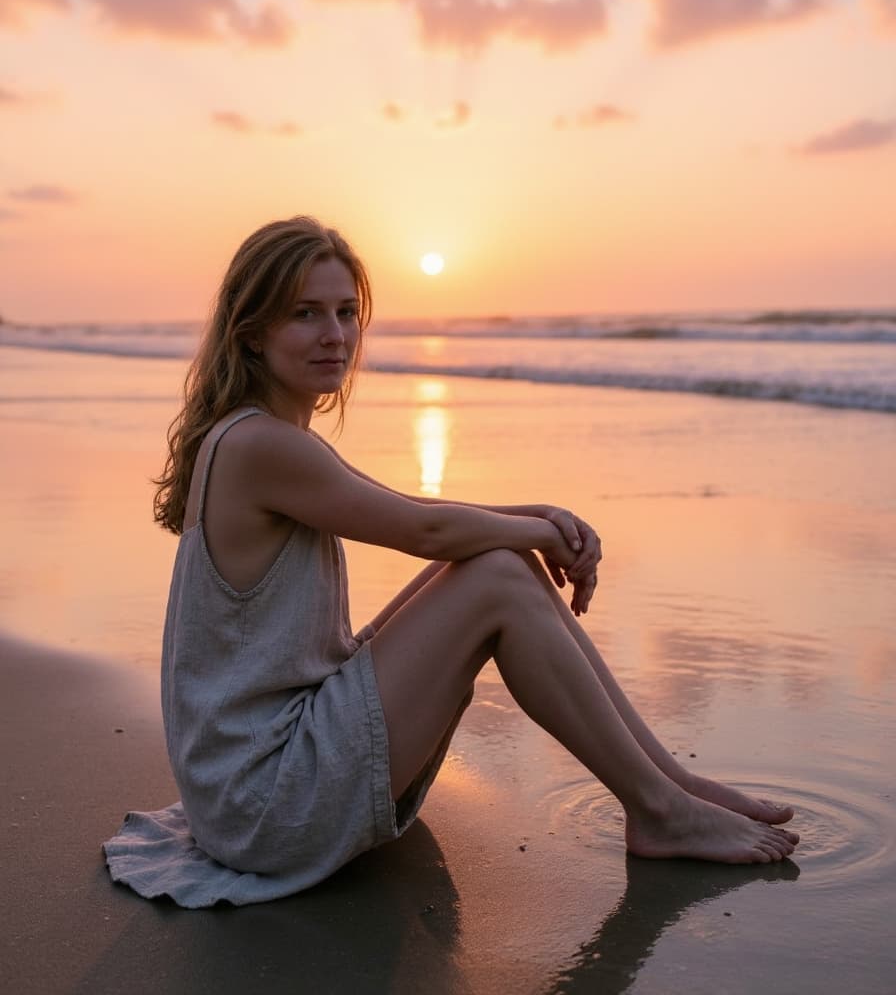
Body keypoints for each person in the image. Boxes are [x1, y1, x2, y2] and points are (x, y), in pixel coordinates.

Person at [104, 216, 798, 908]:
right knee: (497, 572)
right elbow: (427, 529)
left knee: (503, 564)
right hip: (265, 802)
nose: (334, 334)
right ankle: (660, 810)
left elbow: (409, 507)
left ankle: (671, 785)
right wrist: (536, 531)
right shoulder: (264, 446)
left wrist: (538, 521)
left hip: (257, 777)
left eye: (347, 312)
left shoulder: (273, 434)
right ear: (252, 331)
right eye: (305, 314)